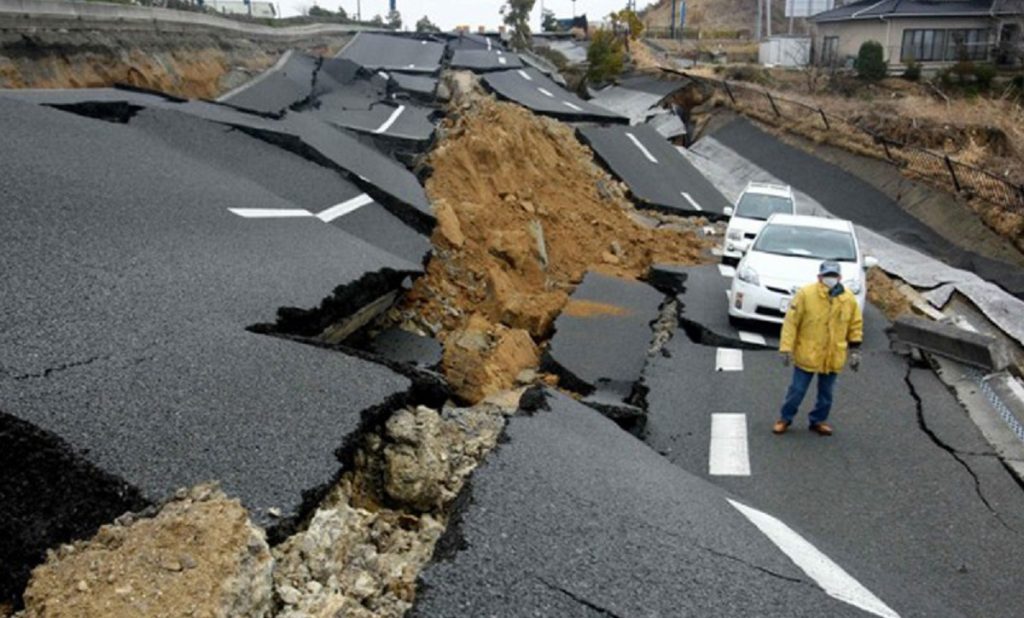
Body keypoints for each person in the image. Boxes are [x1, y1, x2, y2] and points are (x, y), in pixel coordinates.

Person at [773, 260, 863, 436]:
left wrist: (855, 349)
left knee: (826, 393)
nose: (830, 279)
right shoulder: (806, 294)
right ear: (819, 277)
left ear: (840, 278)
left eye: (833, 276)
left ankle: (818, 420)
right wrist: (786, 348)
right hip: (808, 352)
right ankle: (785, 418)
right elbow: (791, 322)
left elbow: (855, 325)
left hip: (833, 354)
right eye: (827, 275)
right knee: (797, 390)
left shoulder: (848, 299)